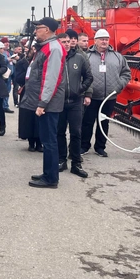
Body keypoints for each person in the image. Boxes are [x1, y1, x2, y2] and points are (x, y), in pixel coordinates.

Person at [23, 17, 67, 189]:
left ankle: (51, 179)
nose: (35, 31)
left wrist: (43, 103)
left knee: (49, 141)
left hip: (48, 104)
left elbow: (51, 78)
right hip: (45, 102)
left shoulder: (53, 49)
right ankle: (48, 173)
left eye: (38, 28)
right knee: (48, 139)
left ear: (47, 29)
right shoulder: (47, 47)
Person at [81, 29, 131, 158]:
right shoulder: (87, 56)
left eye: (106, 39)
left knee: (104, 122)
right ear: (96, 41)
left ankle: (100, 147)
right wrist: (85, 91)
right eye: (102, 39)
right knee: (87, 122)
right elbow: (81, 75)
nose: (104, 41)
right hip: (91, 96)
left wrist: (118, 85)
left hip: (109, 97)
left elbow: (126, 73)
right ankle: (84, 145)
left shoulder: (117, 57)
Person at [57, 29, 93, 178]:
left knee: (76, 132)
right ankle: (61, 160)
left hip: (75, 102)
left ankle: (76, 163)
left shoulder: (80, 58)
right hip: (58, 102)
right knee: (59, 132)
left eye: (68, 42)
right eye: (63, 42)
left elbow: (89, 77)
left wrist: (80, 90)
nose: (66, 44)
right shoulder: (54, 58)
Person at [16, 44, 42, 152]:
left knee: (40, 118)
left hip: (40, 92)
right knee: (28, 118)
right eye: (32, 49)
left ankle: (39, 142)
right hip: (27, 92)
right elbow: (18, 78)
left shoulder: (42, 61)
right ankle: (31, 142)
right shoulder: (22, 63)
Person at [0, 37, 14, 113]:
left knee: (8, 91)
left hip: (10, 75)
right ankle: (2, 106)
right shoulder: (1, 53)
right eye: (5, 42)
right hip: (4, 75)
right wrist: (7, 60)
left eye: (8, 42)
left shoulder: (9, 52)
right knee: (3, 91)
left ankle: (5, 105)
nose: (7, 44)